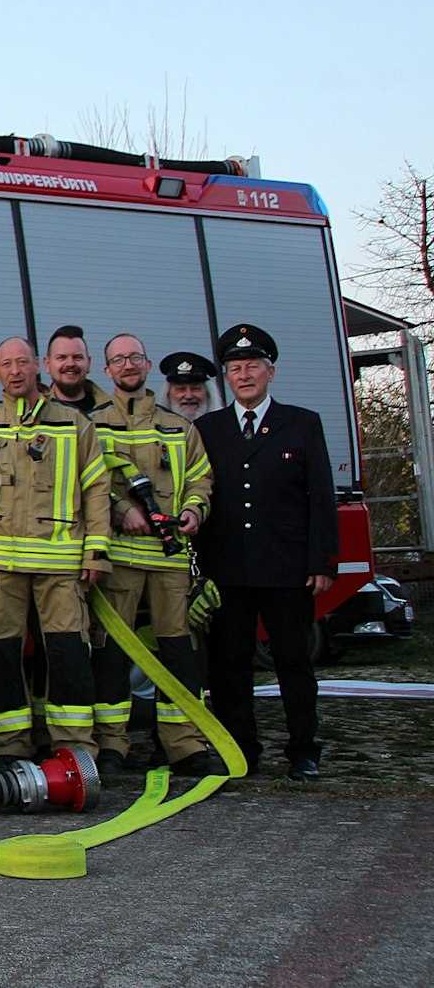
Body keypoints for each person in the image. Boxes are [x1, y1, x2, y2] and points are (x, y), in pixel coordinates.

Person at [0, 336, 109, 765]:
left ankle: (74, 749)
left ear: (39, 367)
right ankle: (10, 748)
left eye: (23, 363)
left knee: (68, 656)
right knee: (1, 658)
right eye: (7, 364)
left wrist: (96, 551)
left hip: (60, 567)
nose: (15, 371)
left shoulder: (74, 425)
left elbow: (97, 487)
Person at [194, 324, 336, 781]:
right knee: (229, 666)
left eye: (253, 366)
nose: (244, 375)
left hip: (287, 568)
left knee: (294, 662)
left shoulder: (302, 423)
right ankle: (242, 752)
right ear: (226, 379)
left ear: (270, 372)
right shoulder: (208, 429)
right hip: (228, 569)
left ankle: (303, 752)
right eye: (235, 369)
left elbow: (321, 497)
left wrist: (322, 562)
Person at [87, 334, 218, 776]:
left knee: (180, 650)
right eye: (118, 359)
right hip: (119, 558)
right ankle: (112, 746)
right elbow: (85, 481)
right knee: (112, 654)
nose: (127, 365)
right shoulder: (91, 424)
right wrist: (121, 509)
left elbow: (201, 478)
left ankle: (184, 743)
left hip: (171, 557)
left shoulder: (179, 426)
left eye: (135, 357)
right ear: (106, 370)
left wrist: (193, 511)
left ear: (147, 365)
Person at [45, 325, 104, 415]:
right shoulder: (36, 412)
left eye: (77, 357)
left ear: (88, 363)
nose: (70, 364)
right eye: (62, 357)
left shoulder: (113, 411)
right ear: (47, 364)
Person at [159, 351, 219, 422]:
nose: (188, 396)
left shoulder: (223, 428)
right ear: (168, 395)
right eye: (181, 389)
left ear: (208, 394)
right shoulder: (156, 428)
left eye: (195, 389)